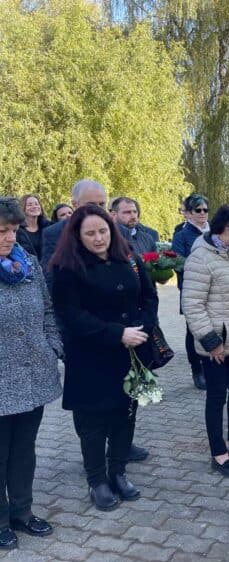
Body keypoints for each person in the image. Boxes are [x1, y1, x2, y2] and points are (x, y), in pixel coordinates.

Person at [50, 205, 158, 511]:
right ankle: (97, 481)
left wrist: (144, 328)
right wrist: (117, 333)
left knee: (126, 415)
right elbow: (71, 315)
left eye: (103, 231)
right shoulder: (67, 268)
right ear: (77, 236)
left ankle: (118, 472)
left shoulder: (129, 259)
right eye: (90, 233)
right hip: (91, 358)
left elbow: (148, 297)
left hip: (131, 354)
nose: (99, 239)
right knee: (93, 423)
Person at [0, 198, 62, 550]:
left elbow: (49, 310)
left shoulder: (29, 266)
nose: (10, 238)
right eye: (2, 231)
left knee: (25, 449)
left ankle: (22, 512)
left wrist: (52, 344)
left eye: (13, 230)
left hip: (33, 372)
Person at [182, 205, 229, 477]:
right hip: (217, 345)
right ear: (218, 230)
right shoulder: (201, 258)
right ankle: (218, 452)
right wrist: (212, 341)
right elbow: (192, 304)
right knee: (216, 396)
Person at [173, 194, 210, 391]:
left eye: (205, 210)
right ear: (187, 213)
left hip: (216, 291)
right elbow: (178, 263)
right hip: (193, 291)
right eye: (198, 210)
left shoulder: (216, 231)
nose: (202, 213)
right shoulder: (181, 236)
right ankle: (197, 370)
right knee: (193, 331)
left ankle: (212, 365)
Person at [41, 180, 109, 278]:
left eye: (102, 204)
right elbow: (51, 274)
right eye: (91, 204)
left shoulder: (119, 230)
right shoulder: (54, 233)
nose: (98, 209)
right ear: (74, 204)